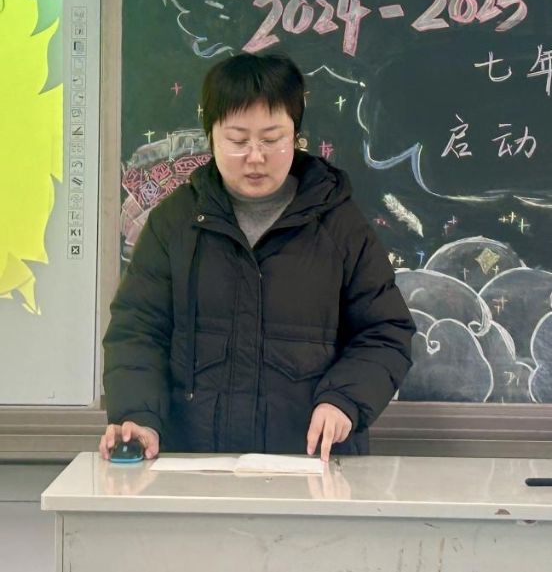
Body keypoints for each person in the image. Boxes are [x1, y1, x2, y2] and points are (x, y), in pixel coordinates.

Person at [99, 52, 414, 461]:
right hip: (194, 466)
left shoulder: (339, 223)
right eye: (237, 140)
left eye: (271, 139)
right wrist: (139, 415)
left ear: (295, 135)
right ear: (211, 135)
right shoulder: (175, 222)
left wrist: (344, 401)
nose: (255, 156)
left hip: (310, 467)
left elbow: (385, 331)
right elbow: (137, 330)